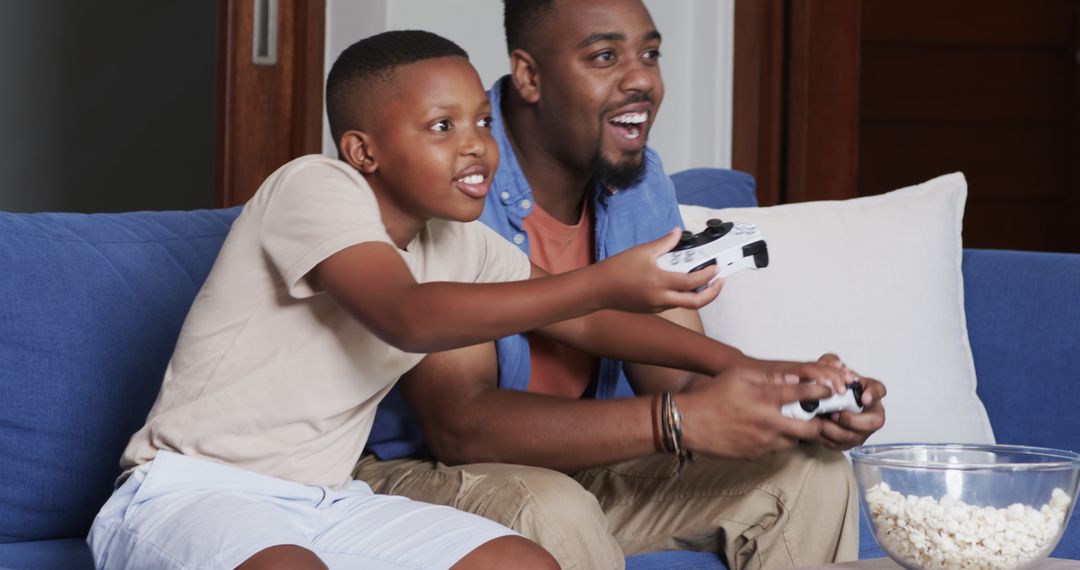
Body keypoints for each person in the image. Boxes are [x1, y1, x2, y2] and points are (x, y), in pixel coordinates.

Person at [85, 29, 842, 570]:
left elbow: (586, 320)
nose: (476, 144)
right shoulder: (313, 188)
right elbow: (407, 314)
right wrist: (608, 278)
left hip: (326, 498)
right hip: (189, 491)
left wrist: (763, 373)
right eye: (441, 127)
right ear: (364, 151)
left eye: (480, 120)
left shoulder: (456, 239)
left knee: (520, 560)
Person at [354, 2, 889, 570]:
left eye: (650, 54)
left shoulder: (636, 178)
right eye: (605, 56)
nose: (641, 79)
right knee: (553, 505)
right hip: (424, 475)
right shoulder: (447, 176)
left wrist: (788, 397)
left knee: (808, 471)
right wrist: (675, 421)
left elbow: (677, 375)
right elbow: (461, 428)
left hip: (585, 473)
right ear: (530, 75)